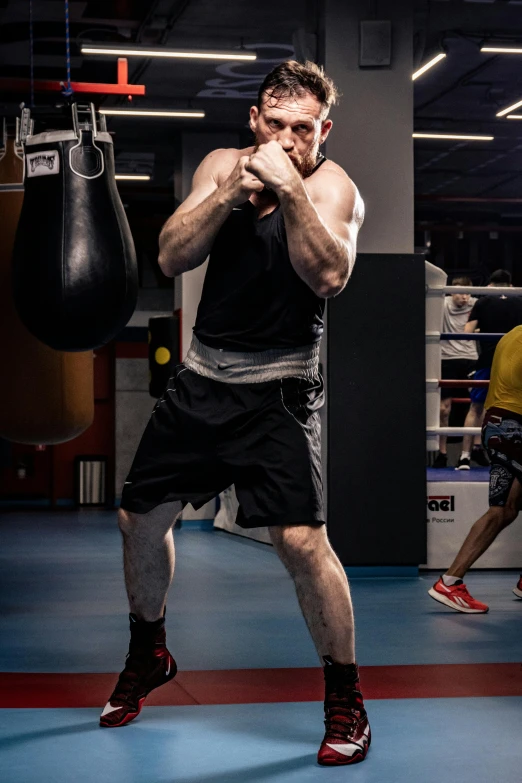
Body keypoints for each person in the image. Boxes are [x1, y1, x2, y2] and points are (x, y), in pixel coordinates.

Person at [101, 61, 370, 767]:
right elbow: (168, 253)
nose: (287, 139)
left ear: (323, 131)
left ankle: (346, 697)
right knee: (138, 518)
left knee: (302, 543)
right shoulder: (224, 164)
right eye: (275, 124)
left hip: (280, 392)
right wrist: (230, 192)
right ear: (254, 120)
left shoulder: (334, 186)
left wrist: (291, 194)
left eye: (302, 129)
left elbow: (330, 276)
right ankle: (148, 649)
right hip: (202, 380)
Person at [429, 325, 522, 613]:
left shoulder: (512, 334)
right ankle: (450, 581)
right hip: (514, 427)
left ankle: (451, 580)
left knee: (506, 508)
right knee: (503, 508)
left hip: (496, 424)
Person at [456, 269, 522, 470]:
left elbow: (467, 333)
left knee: (476, 408)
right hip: (515, 361)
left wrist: (481, 330)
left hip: (488, 360)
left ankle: (465, 456)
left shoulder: (483, 301)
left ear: (490, 285)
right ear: (510, 285)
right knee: (513, 409)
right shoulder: (519, 300)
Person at [433, 276, 478, 468]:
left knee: (478, 405)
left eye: (468, 293)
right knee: (444, 409)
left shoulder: (477, 304)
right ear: (451, 292)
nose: (465, 297)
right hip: (446, 359)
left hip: (470, 358)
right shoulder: (440, 304)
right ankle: (442, 454)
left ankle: (469, 453)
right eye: (460, 293)